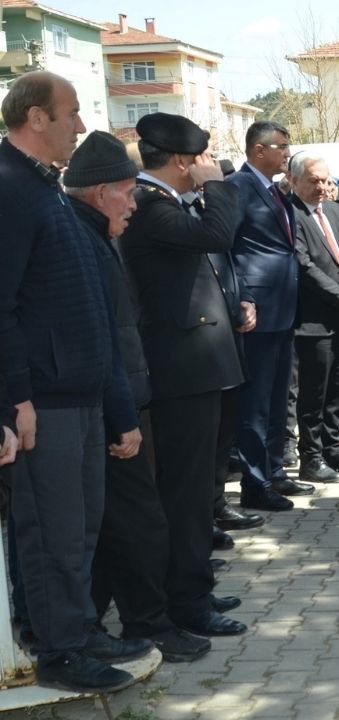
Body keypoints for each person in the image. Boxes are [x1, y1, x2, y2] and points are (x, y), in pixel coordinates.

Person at [0, 71, 149, 692]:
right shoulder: (9, 187)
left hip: (80, 394)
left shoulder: (45, 188)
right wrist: (16, 398)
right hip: (44, 399)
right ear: (36, 118)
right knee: (53, 532)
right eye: (71, 114)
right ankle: (58, 651)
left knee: (81, 528)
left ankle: (78, 629)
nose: (81, 126)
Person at [64, 131, 216, 663]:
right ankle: (147, 625)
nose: (134, 204)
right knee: (140, 525)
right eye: (128, 193)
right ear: (101, 192)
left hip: (113, 402)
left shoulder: (92, 235)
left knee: (114, 527)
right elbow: (99, 340)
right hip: (108, 408)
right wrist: (122, 414)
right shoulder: (81, 241)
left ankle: (96, 625)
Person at [120, 111, 250, 639]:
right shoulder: (151, 206)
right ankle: (187, 602)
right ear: (181, 161)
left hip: (197, 366)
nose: (209, 165)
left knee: (195, 489)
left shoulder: (165, 203)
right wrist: (218, 186)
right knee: (186, 492)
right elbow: (218, 235)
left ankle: (193, 584)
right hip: (180, 371)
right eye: (202, 158)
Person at [226, 121, 306, 511]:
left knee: (277, 398)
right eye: (282, 146)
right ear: (259, 150)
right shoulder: (239, 187)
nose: (288, 153)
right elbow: (226, 247)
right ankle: (254, 484)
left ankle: (274, 471)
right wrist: (242, 297)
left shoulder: (276, 191)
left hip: (283, 308)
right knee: (255, 403)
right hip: (257, 312)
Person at [287, 152, 339, 483]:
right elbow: (303, 265)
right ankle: (311, 457)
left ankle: (333, 449)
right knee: (314, 392)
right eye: (314, 181)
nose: (322, 187)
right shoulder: (290, 214)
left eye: (326, 180)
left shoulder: (335, 210)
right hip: (313, 319)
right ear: (294, 180)